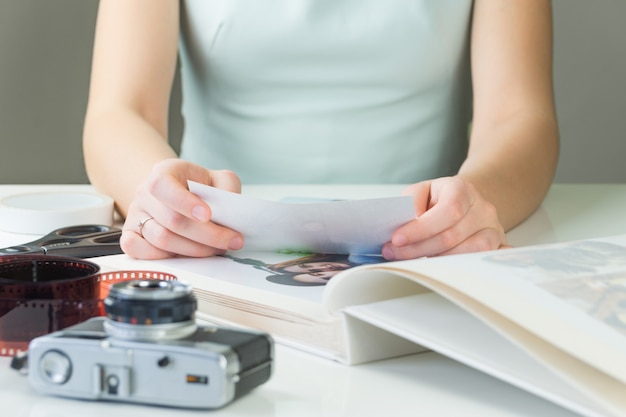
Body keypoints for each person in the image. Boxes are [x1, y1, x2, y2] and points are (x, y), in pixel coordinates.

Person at [83, 0, 559, 261]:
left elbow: (518, 115)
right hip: (212, 245)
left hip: (425, 248)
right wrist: (163, 200)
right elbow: (122, 111)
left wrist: (473, 203)